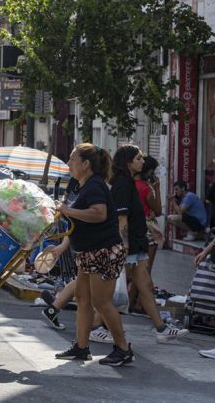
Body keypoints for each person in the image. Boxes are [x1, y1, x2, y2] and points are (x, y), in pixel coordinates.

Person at [53, 143, 133, 367]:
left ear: (85, 164)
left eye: (72, 159)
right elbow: (79, 220)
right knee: (83, 299)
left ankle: (123, 349)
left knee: (102, 302)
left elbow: (99, 214)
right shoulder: (81, 185)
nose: (69, 163)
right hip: (87, 252)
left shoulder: (95, 185)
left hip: (103, 252)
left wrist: (68, 210)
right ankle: (81, 347)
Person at [110, 144, 188, 343]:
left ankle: (161, 328)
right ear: (128, 162)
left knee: (145, 286)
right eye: (139, 158)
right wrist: (124, 248)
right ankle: (94, 326)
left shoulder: (128, 182)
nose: (143, 162)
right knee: (112, 289)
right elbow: (121, 220)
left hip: (136, 245)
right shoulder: (123, 184)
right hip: (129, 247)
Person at [134, 155, 163, 270]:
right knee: (146, 269)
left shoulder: (128, 184)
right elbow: (158, 211)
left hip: (132, 227)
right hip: (148, 229)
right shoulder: (146, 189)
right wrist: (157, 188)